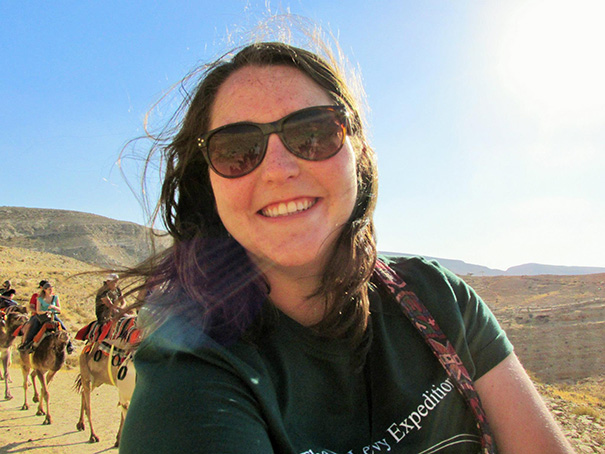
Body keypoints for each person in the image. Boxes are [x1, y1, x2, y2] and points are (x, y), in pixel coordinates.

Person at [119, 39, 574, 454]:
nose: (278, 170)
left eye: (313, 133)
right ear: (208, 182)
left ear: (356, 148)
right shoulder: (191, 369)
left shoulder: (441, 299)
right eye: (236, 149)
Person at [19, 282, 74, 354]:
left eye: (51, 289)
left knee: (63, 328)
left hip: (53, 316)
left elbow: (59, 309)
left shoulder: (55, 297)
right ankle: (27, 344)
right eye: (49, 289)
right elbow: (38, 311)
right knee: (33, 328)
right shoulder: (40, 299)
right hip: (42, 317)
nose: (51, 291)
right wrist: (45, 311)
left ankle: (69, 345)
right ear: (44, 290)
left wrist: (53, 307)